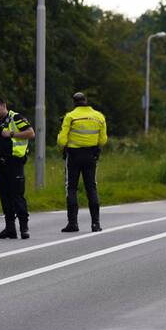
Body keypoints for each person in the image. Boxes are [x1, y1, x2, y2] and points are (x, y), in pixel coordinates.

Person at [57, 91, 108, 233]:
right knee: (91, 187)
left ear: (74, 102)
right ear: (86, 100)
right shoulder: (99, 116)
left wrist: (63, 141)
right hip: (91, 155)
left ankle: (73, 223)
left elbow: (62, 141)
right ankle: (95, 224)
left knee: (71, 188)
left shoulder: (70, 117)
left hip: (74, 155)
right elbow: (103, 140)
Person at [0, 97, 35, 240]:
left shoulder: (16, 117)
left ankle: (24, 228)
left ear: (4, 106)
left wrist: (12, 134)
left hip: (14, 163)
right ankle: (10, 228)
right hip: (0, 164)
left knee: (17, 196)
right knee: (4, 197)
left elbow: (31, 133)